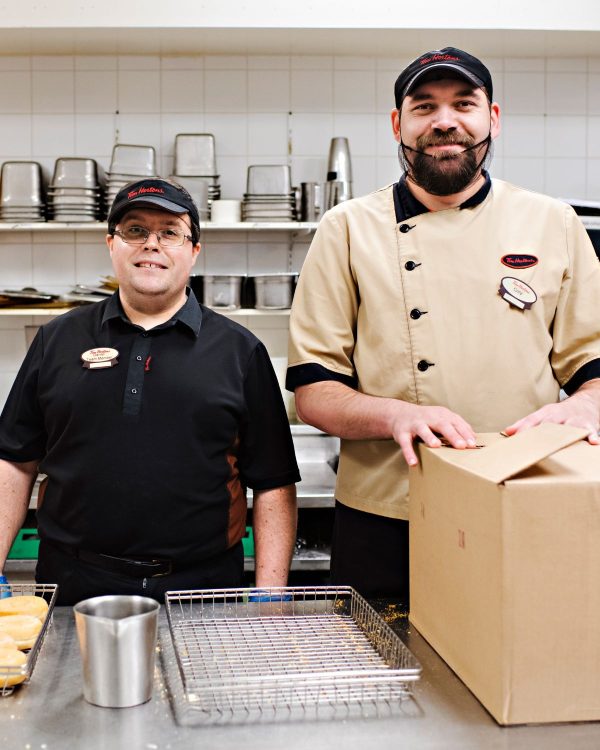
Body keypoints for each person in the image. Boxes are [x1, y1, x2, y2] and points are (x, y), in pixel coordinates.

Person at [286, 47, 600, 601]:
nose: (445, 121)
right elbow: (314, 393)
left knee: (514, 676)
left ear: (492, 119)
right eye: (424, 106)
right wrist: (396, 413)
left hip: (518, 497)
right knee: (374, 677)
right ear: (397, 125)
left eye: (463, 103)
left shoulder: (553, 222)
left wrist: (585, 405)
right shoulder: (347, 228)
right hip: (384, 510)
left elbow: (593, 370)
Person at [0, 178, 300, 605]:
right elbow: (14, 459)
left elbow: (273, 482)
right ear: (111, 244)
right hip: (72, 581)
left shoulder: (240, 350)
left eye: (170, 232)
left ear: (194, 250)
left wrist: (271, 592)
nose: (151, 244)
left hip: (203, 587)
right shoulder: (57, 339)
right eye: (135, 230)